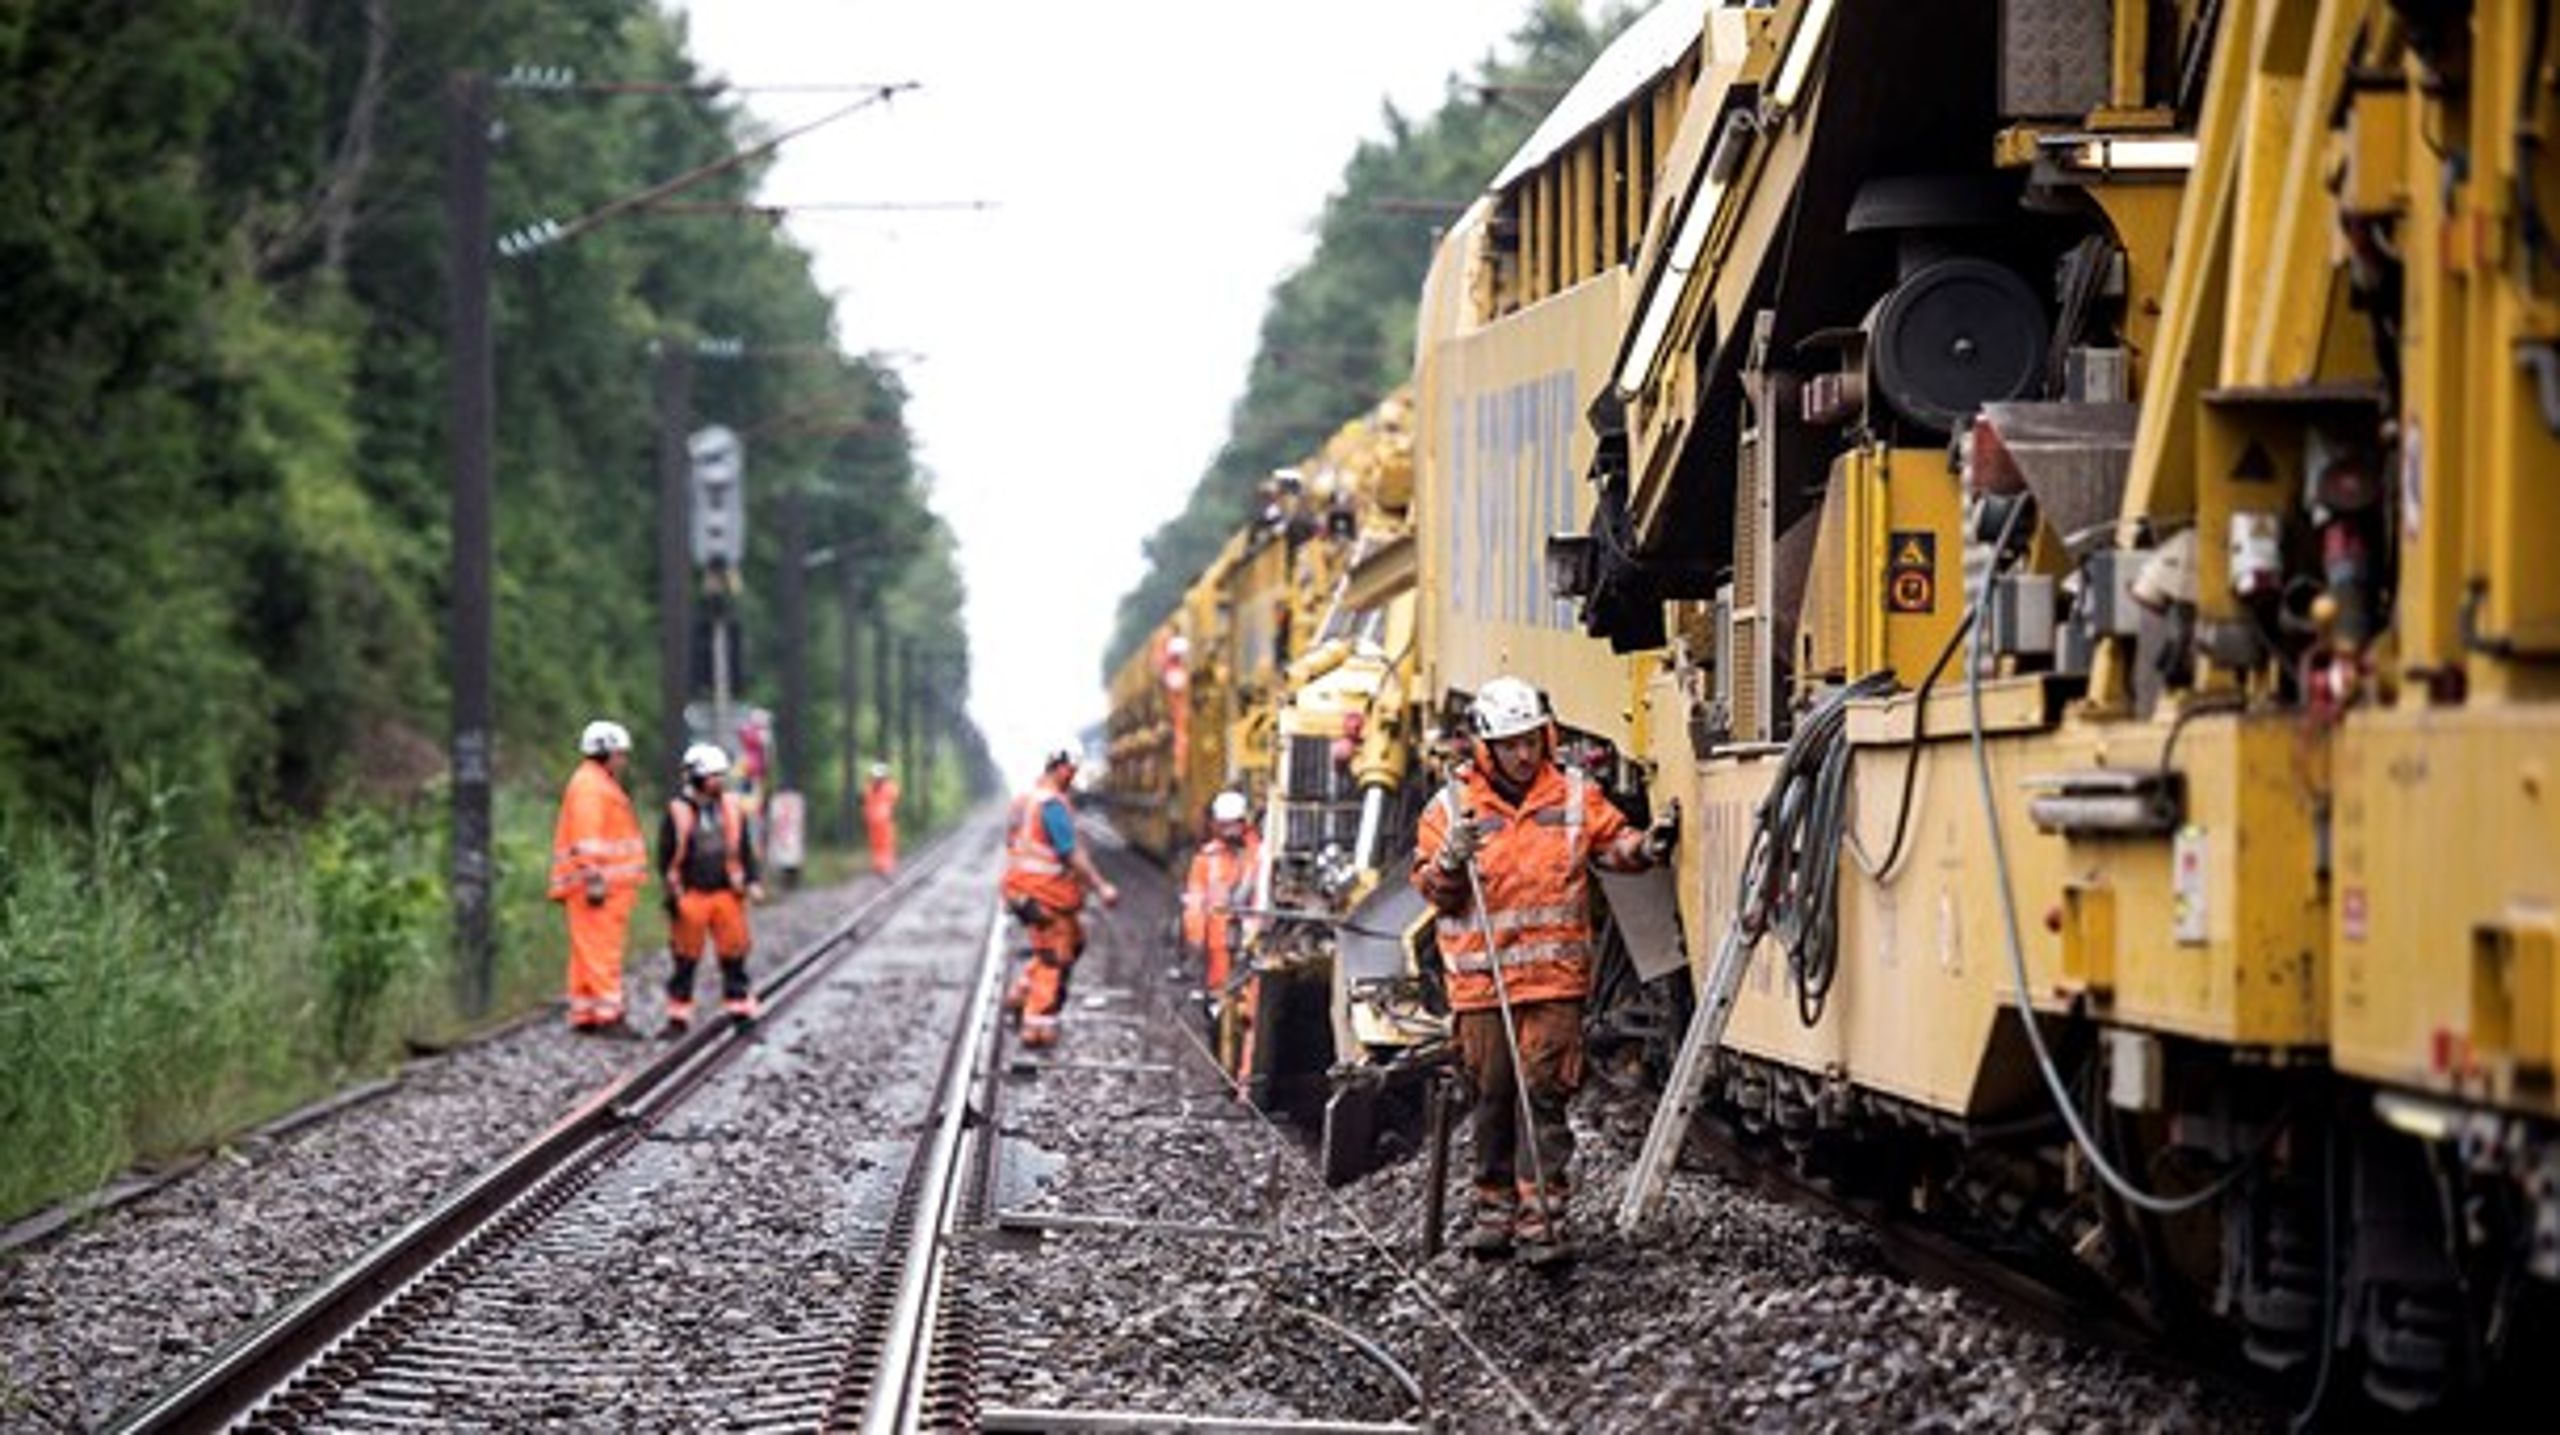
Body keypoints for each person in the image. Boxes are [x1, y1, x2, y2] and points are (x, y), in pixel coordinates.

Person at [1411, 677, 1676, 1263]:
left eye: (1531, 741)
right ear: (1487, 747)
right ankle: (1493, 1210)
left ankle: (1542, 1219)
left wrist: (1649, 846)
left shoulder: (1575, 796)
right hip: (1484, 986)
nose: (1524, 754)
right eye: (1511, 745)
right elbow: (1434, 891)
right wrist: (1451, 863)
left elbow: (1614, 847)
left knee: (1544, 1096)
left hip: (1553, 981)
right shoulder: (1451, 808)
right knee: (1492, 1096)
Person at [1000, 746, 1119, 1048]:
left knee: (1073, 941)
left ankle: (1023, 990)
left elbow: (1013, 842)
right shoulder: (1052, 804)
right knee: (1056, 954)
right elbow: (1070, 853)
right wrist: (1100, 885)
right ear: (1061, 768)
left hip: (1021, 889)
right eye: (1073, 770)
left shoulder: (1025, 799)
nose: (1075, 777)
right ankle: (1037, 1024)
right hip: (1044, 892)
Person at [549, 720, 651, 1037]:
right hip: (598, 887)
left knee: (586, 951)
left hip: (599, 885)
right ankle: (609, 1015)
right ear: (606, 753)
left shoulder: (593, 783)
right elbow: (587, 835)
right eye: (620, 754)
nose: (624, 760)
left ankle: (586, 1013)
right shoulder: (591, 788)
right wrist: (593, 876)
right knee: (602, 951)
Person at [658, 741, 767, 1035]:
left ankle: (740, 1010)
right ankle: (678, 1016)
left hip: (726, 892)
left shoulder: (732, 808)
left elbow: (745, 850)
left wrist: (753, 881)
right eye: (712, 776)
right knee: (685, 957)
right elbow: (666, 855)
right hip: (691, 894)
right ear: (695, 777)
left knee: (734, 952)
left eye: (721, 775)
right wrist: (671, 893)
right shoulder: (678, 811)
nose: (718, 781)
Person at [1180, 789, 1262, 1014]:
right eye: (1224, 825)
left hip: (1253, 943)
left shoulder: (1261, 853)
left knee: (1248, 1005)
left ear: (1244, 821)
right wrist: (1195, 941)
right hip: (1219, 945)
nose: (1229, 831)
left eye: (1233, 824)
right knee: (1219, 1001)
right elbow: (1195, 903)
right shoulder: (1207, 858)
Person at [863, 761, 901, 876]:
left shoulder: (869, 788)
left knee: (876, 843)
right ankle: (884, 866)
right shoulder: (890, 787)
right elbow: (895, 797)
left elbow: (865, 800)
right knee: (885, 843)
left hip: (872, 819)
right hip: (883, 819)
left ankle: (879, 865)